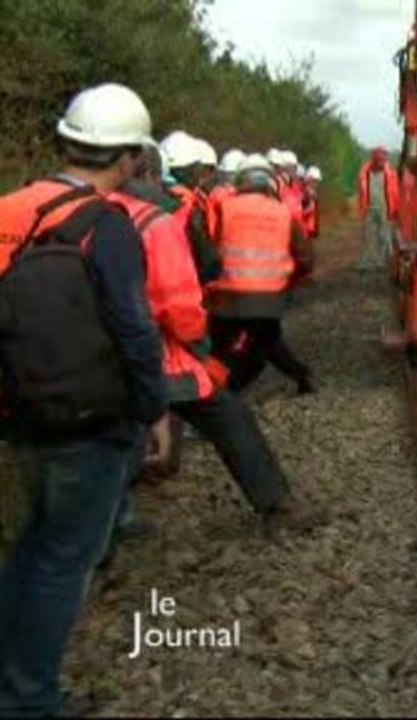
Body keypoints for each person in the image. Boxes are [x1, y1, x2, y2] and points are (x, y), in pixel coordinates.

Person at [0, 82, 170, 718]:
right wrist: (154, 411)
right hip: (92, 423)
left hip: (21, 413)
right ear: (127, 156)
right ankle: (29, 700)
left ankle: (13, 681)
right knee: (64, 562)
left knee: (34, 548)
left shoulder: (9, 207)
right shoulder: (110, 225)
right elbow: (134, 328)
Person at [110, 145, 317, 540]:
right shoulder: (158, 219)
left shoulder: (98, 210)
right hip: (160, 349)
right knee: (226, 414)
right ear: (152, 174)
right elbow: (177, 301)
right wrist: (199, 348)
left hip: (105, 352)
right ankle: (277, 505)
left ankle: (110, 526)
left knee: (114, 432)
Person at [208, 154, 316, 395]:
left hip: (228, 296)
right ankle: (227, 393)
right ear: (269, 181)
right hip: (269, 298)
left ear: (239, 180)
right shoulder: (283, 213)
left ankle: (221, 393)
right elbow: (306, 258)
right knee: (265, 343)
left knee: (220, 348)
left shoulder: (224, 207)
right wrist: (290, 278)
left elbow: (211, 248)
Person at [160, 132, 221, 285]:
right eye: (197, 169)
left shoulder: (147, 198)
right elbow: (207, 260)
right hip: (184, 283)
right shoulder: (190, 207)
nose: (201, 175)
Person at [357, 147, 400, 272]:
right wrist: (362, 208)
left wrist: (395, 209)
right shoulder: (364, 173)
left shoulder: (391, 174)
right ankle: (367, 262)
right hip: (369, 208)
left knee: (384, 236)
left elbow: (395, 193)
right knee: (368, 236)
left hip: (385, 208)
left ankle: (382, 263)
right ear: (374, 160)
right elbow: (361, 192)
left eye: (383, 160)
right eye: (379, 160)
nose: (381, 162)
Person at [302, 166, 322, 240]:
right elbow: (299, 213)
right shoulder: (303, 194)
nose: (315, 184)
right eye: (314, 181)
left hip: (310, 230)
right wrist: (308, 209)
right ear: (308, 179)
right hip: (304, 231)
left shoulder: (312, 194)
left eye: (316, 181)